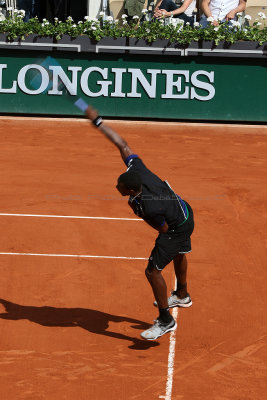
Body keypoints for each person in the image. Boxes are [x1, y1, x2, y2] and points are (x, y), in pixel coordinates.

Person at [85, 105, 194, 341]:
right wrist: (99, 123)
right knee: (179, 252)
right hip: (184, 210)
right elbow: (122, 145)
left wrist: (165, 240)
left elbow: (163, 230)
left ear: (132, 190)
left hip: (174, 225)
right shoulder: (138, 170)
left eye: (120, 187)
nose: (117, 187)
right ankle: (183, 294)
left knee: (152, 271)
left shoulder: (148, 206)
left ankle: (165, 320)